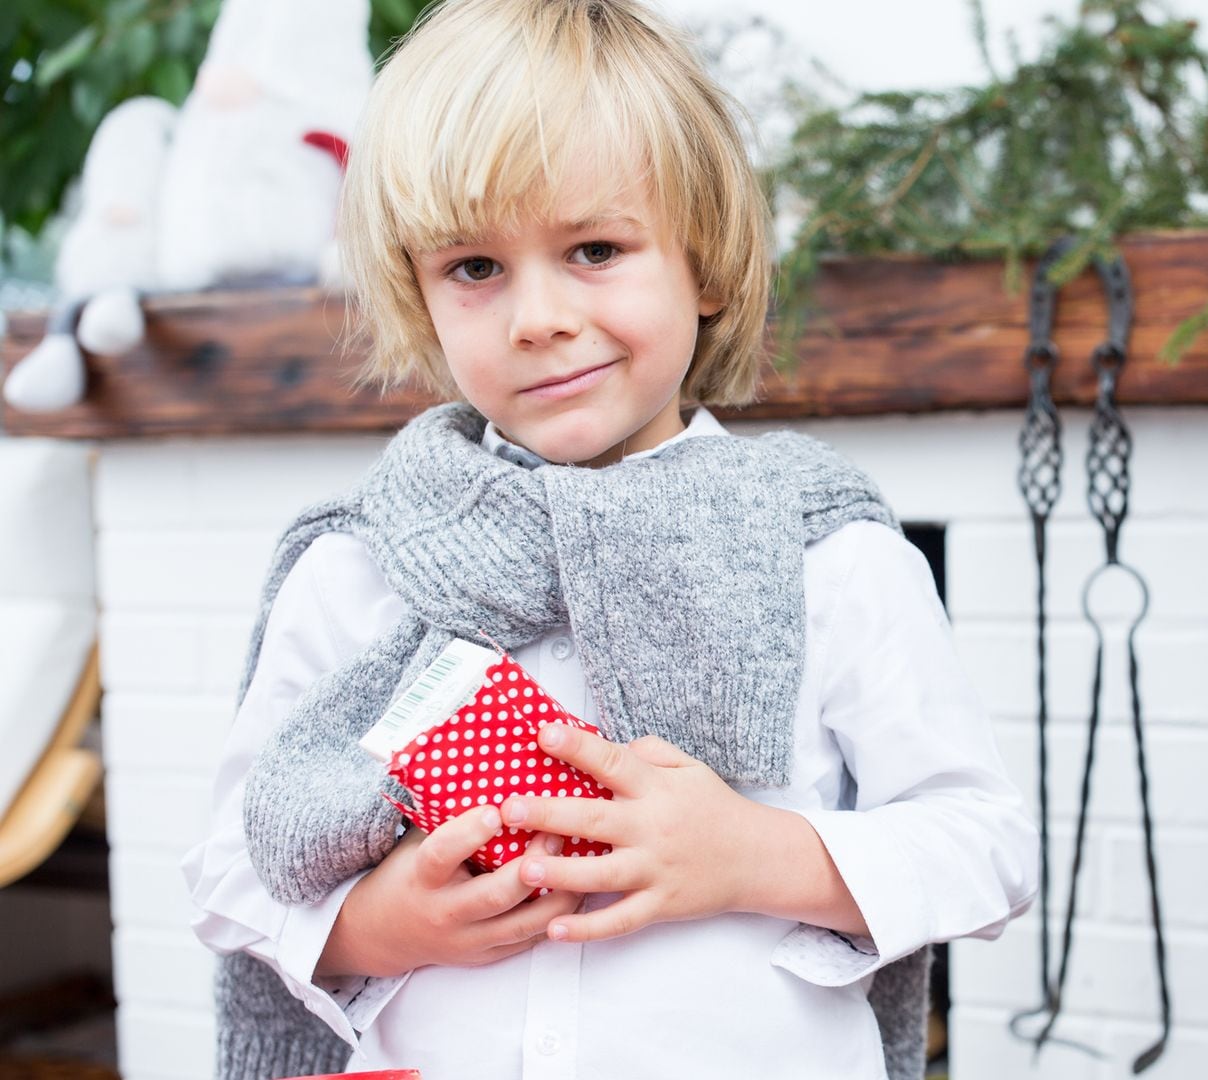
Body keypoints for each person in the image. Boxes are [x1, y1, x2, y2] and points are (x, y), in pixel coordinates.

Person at [178, 2, 1041, 1078]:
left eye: (595, 248)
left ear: (706, 264)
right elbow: (229, 866)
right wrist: (370, 928)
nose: (535, 316)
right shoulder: (358, 567)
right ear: (419, 291)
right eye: (475, 268)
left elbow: (988, 848)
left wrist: (752, 855)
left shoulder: (824, 554)